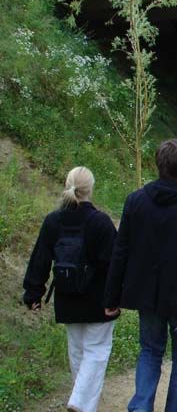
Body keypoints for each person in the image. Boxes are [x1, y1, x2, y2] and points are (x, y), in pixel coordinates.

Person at [104, 139, 177, 412]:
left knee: (150, 351)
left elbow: (121, 251)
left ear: (158, 164)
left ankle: (141, 407)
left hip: (147, 294)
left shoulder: (136, 201)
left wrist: (111, 295)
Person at [23, 167, 118, 412]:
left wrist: (34, 293)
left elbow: (40, 258)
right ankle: (80, 403)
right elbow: (115, 264)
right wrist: (118, 296)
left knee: (77, 351)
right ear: (91, 189)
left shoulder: (53, 221)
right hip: (99, 301)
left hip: (67, 298)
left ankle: (81, 399)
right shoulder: (101, 222)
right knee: (96, 351)